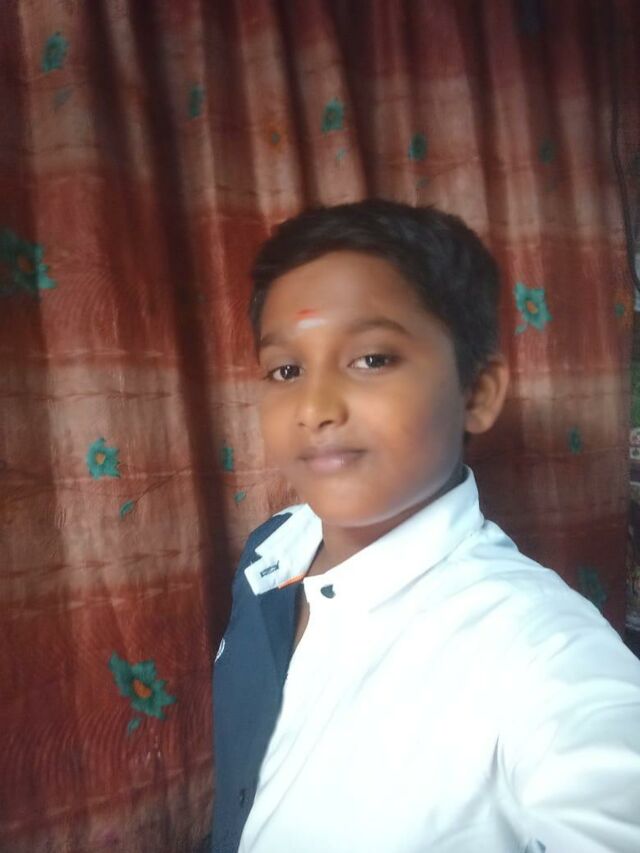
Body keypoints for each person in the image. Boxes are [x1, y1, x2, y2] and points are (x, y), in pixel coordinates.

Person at [211, 200, 640, 853]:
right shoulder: (273, 548)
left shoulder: (541, 652)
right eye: (286, 370)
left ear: (477, 393)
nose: (314, 407)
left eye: (372, 359)